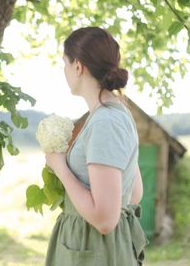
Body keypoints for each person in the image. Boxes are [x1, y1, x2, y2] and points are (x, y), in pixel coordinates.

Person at [44, 27, 149, 265]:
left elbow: (104, 220)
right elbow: (133, 193)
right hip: (98, 249)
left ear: (78, 66)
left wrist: (60, 166)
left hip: (95, 254)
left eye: (65, 63)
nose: (64, 70)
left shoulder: (106, 123)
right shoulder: (114, 113)